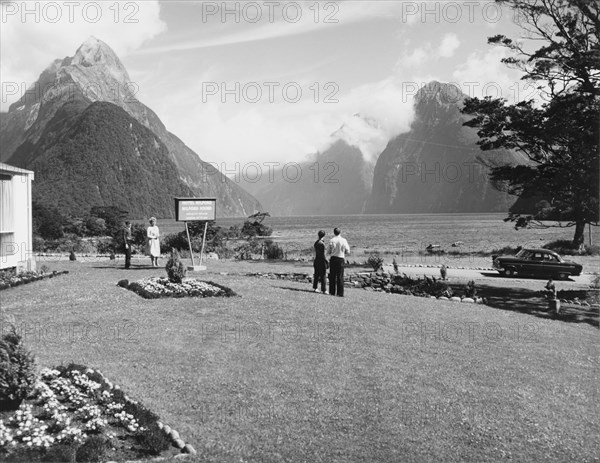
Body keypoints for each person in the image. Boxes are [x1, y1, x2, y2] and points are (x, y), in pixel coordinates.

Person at [327, 227, 350, 297]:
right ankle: (340, 293)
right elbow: (348, 251)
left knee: (332, 276)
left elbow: (328, 251)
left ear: (334, 232)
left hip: (333, 259)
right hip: (340, 258)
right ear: (340, 232)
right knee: (340, 276)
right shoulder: (343, 240)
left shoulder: (332, 240)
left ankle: (332, 291)